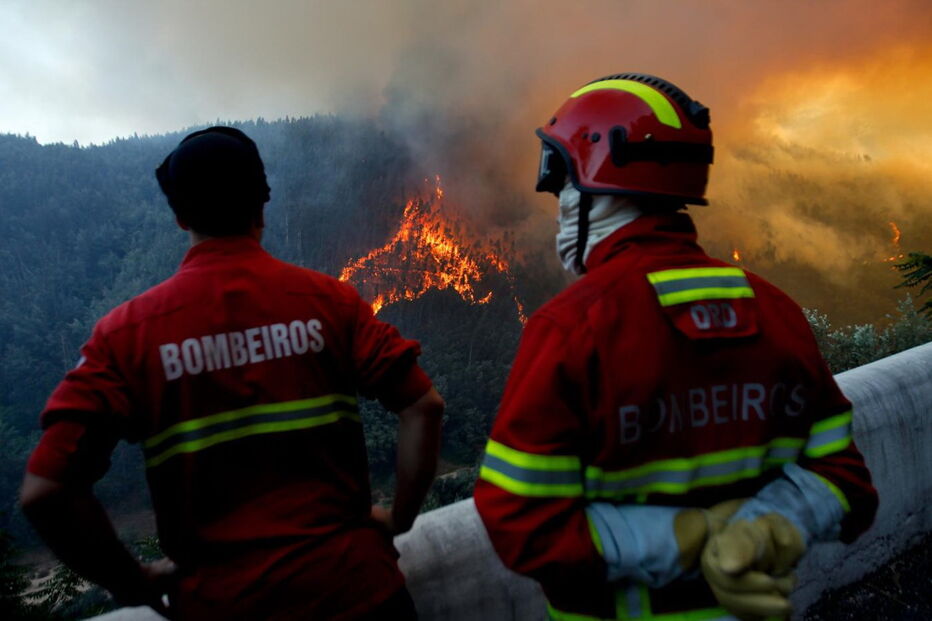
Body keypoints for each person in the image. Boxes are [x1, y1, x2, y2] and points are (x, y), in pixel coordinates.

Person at [473, 74, 877, 621]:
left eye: (564, 185)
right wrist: (765, 531)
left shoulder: (574, 328)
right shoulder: (773, 309)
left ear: (595, 182)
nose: (560, 205)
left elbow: (520, 521)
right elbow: (846, 482)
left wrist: (686, 539)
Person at [19, 126, 444, 620]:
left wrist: (129, 580)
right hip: (359, 593)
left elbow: (47, 490)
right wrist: (399, 519)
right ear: (261, 206)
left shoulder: (127, 334)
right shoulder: (331, 302)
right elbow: (424, 405)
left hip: (222, 605)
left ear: (179, 216)